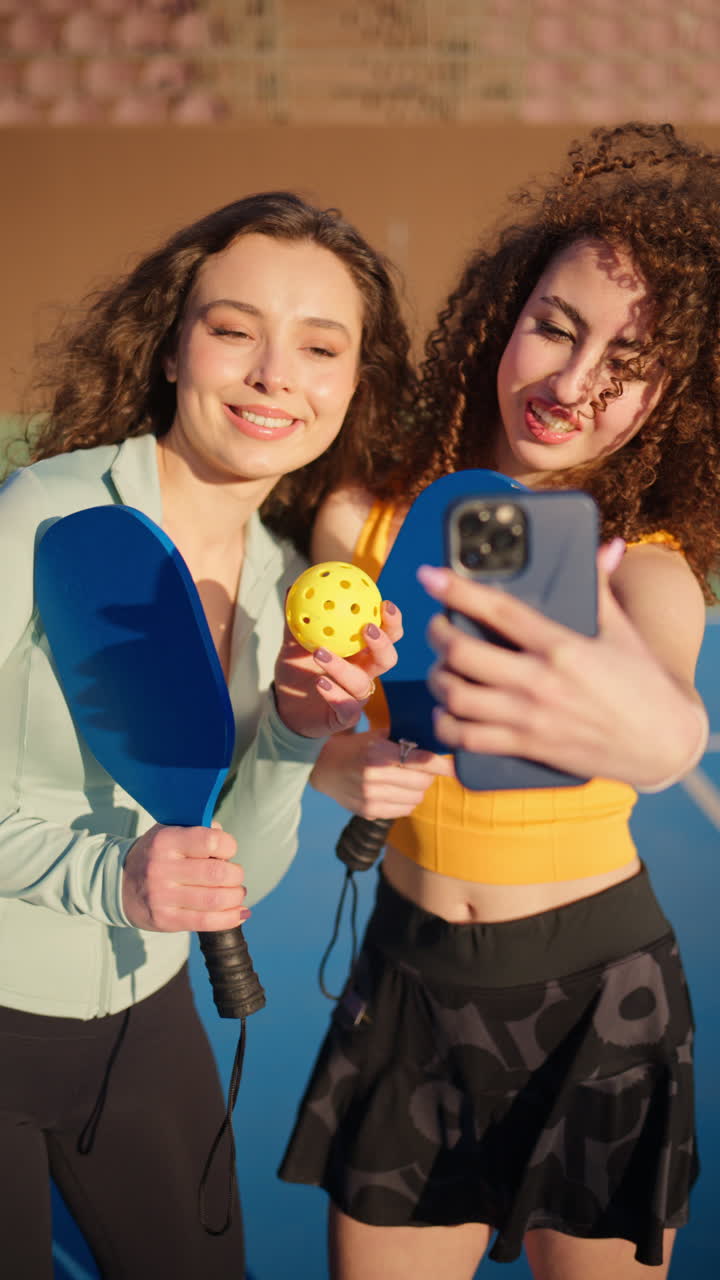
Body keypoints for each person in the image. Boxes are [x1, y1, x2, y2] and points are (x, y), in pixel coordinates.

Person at [278, 123, 720, 1279]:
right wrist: (340, 765)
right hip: (410, 981)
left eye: (628, 362)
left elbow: (666, 716)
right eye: (556, 328)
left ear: (671, 394)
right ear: (500, 317)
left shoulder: (650, 568)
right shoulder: (358, 522)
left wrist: (660, 728)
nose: (575, 384)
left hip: (602, 998)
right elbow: (313, 741)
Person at [0, 191, 414, 1279]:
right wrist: (110, 876)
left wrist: (286, 733)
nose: (277, 373)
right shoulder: (45, 514)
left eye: (319, 346)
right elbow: (134, 873)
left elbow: (234, 871)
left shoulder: (283, 579)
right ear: (173, 348)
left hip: (146, 1014)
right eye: (234, 329)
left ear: (351, 384)